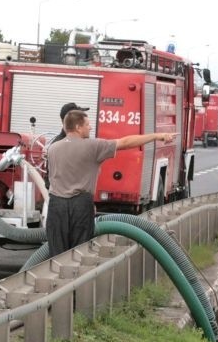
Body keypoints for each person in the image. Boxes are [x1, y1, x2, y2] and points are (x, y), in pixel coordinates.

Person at [46, 109, 176, 257]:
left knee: (56, 254)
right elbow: (125, 142)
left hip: (56, 206)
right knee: (79, 253)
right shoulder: (92, 146)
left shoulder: (53, 148)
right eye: (87, 124)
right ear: (78, 127)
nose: (90, 127)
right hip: (80, 204)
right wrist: (158, 136)